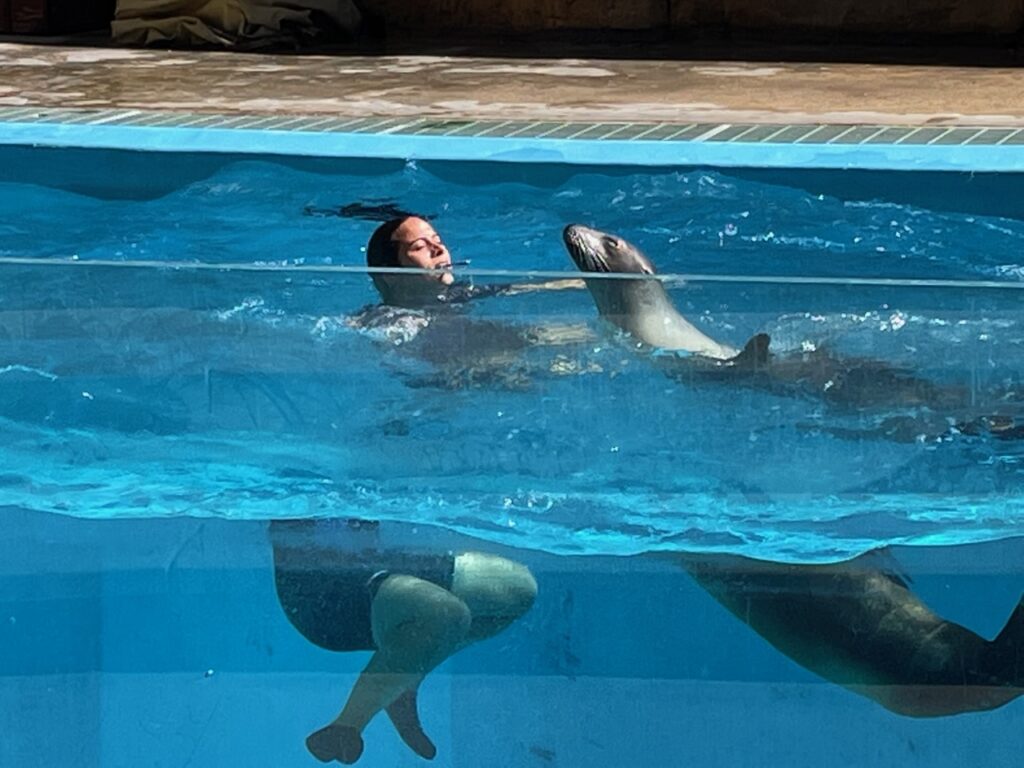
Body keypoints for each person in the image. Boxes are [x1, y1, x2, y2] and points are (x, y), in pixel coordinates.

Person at [270, 518, 537, 765]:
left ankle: (404, 680)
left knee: (518, 588)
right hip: (324, 595)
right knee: (445, 613)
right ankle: (348, 725)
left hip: (376, 561)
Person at [364, 215, 584, 308]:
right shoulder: (386, 320)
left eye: (437, 241)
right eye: (420, 247)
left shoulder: (457, 295)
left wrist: (589, 282)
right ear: (390, 275)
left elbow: (526, 288)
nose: (439, 250)